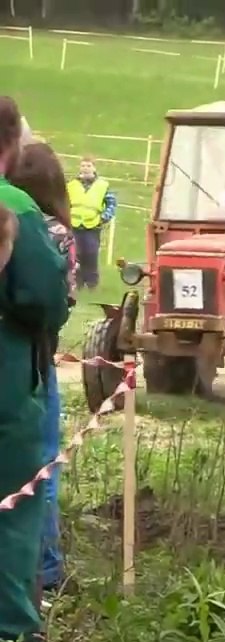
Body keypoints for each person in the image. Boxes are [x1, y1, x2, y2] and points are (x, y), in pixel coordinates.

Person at [0, 96, 72, 642]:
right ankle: (10, 639)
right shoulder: (16, 207)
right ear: (10, 146)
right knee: (13, 508)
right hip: (5, 381)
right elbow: (45, 300)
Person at [9, 142, 76, 600]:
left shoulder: (12, 218)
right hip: (34, 362)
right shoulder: (56, 233)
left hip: (20, 357)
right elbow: (58, 305)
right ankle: (46, 569)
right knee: (41, 468)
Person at [65, 156, 115, 291]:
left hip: (92, 225)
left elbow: (111, 203)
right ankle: (78, 283)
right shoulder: (71, 185)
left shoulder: (103, 185)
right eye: (83, 166)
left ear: (94, 168)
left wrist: (104, 217)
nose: (85, 168)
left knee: (91, 254)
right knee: (76, 255)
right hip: (74, 224)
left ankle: (92, 283)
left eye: (88, 166)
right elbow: (65, 202)